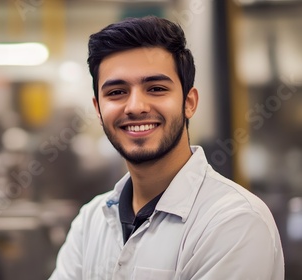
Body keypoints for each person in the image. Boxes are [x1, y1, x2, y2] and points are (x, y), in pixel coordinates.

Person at [48, 16, 284, 280]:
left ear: (189, 102)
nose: (136, 106)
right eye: (116, 92)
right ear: (98, 110)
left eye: (156, 88)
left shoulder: (234, 221)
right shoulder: (90, 221)